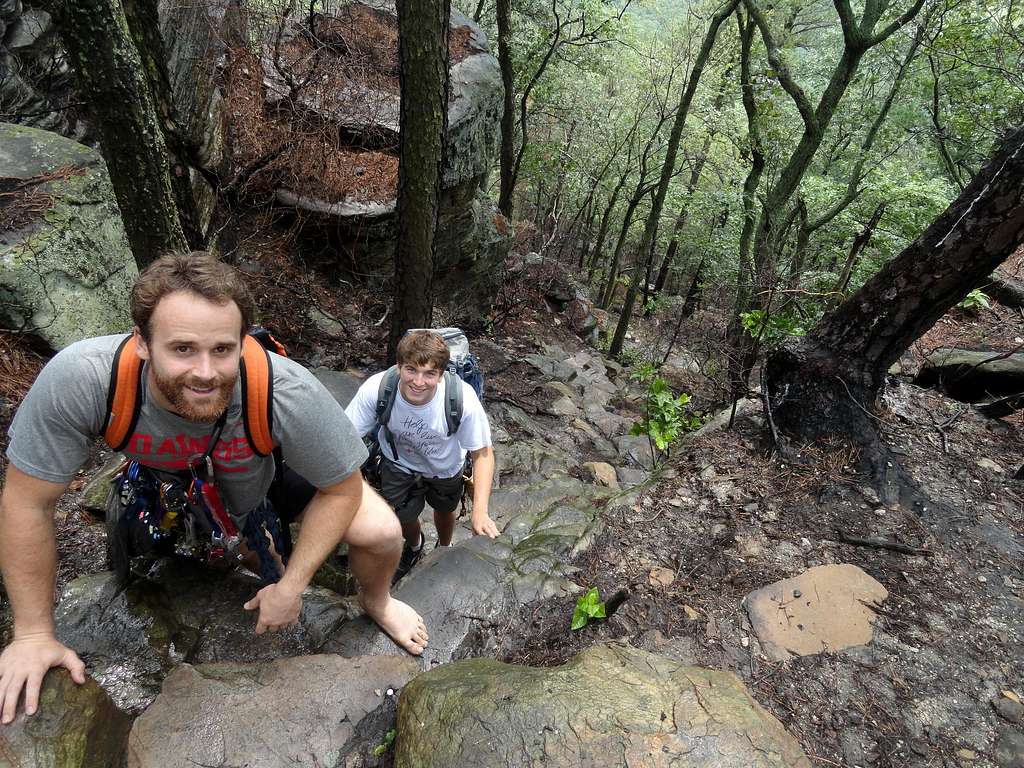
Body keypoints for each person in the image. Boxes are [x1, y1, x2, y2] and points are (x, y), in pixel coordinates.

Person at [0, 252, 428, 726]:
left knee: (384, 534)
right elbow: (26, 503)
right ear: (142, 343)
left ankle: (378, 599)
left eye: (222, 350)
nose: (205, 371)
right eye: (182, 348)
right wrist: (33, 634)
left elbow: (342, 490)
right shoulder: (86, 379)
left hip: (268, 468)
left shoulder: (283, 390)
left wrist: (292, 586)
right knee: (230, 551)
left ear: (242, 341)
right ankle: (239, 546)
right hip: (165, 477)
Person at [344, 330, 497, 578]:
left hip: (446, 468)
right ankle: (414, 546)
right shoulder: (378, 389)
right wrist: (355, 487)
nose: (418, 381)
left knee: (445, 510)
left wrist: (480, 511)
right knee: (403, 515)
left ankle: (443, 547)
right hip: (398, 464)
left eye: (429, 374)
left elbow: (482, 453)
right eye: (411, 370)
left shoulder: (461, 400)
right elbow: (345, 437)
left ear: (441, 374)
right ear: (398, 366)